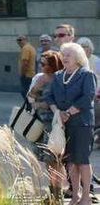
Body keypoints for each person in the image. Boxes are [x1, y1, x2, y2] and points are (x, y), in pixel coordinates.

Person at [51, 42, 96, 205]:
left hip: (82, 123)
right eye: (63, 54)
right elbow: (49, 97)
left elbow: (88, 97)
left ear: (78, 57)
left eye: (68, 55)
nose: (64, 58)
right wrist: (58, 112)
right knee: (70, 161)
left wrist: (68, 112)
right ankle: (75, 194)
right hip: (64, 125)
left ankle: (86, 196)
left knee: (82, 160)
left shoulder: (86, 74)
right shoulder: (57, 76)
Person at [28, 50, 66, 200]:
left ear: (52, 65)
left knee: (56, 159)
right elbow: (30, 98)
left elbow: (60, 101)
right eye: (40, 63)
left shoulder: (60, 78)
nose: (40, 66)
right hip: (42, 123)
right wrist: (36, 89)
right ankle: (53, 192)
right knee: (48, 160)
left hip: (55, 124)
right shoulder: (40, 78)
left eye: (43, 63)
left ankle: (58, 193)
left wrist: (43, 104)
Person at [17, 35, 37, 100]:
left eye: (20, 40)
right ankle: (31, 107)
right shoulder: (31, 48)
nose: (18, 42)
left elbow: (25, 63)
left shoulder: (25, 48)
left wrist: (22, 74)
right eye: (17, 40)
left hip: (27, 75)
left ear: (26, 40)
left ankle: (30, 108)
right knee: (29, 92)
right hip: (31, 74)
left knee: (25, 92)